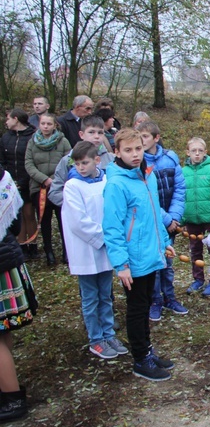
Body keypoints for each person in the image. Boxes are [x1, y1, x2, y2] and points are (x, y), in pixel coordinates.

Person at [103, 128, 175, 382]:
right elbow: (112, 228)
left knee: (145, 304)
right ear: (117, 152)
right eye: (128, 150)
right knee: (136, 308)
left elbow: (155, 213)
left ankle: (147, 351)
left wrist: (164, 241)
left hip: (151, 253)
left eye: (138, 149)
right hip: (132, 260)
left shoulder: (147, 176)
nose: (135, 154)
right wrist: (120, 264)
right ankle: (140, 360)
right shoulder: (116, 184)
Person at [61, 141, 127, 360]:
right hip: (87, 249)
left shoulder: (106, 181)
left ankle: (108, 334)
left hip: (106, 247)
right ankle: (95, 339)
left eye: (85, 163)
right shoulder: (72, 186)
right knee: (90, 298)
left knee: (106, 295)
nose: (81, 167)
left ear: (97, 161)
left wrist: (114, 234)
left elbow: (113, 209)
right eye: (77, 163)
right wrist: (104, 237)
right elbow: (78, 221)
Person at [137, 122, 188, 321]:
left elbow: (180, 189)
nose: (142, 141)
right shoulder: (139, 163)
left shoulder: (170, 158)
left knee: (167, 262)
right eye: (139, 137)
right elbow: (146, 197)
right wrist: (165, 219)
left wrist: (174, 218)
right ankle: (155, 300)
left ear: (156, 138)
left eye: (145, 137)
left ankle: (169, 297)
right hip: (152, 221)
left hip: (170, 222)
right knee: (155, 264)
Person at [0, 165, 37, 422]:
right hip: (7, 258)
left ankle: (11, 398)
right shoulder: (3, 177)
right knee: (3, 332)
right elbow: (14, 225)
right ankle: (8, 386)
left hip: (2, 264)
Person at [24, 113, 71, 266]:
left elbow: (69, 161)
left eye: (49, 124)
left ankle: (67, 252)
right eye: (43, 123)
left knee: (62, 220)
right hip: (40, 188)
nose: (45, 126)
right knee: (44, 221)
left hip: (59, 187)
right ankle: (49, 252)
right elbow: (29, 164)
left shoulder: (63, 141)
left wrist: (56, 180)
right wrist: (44, 179)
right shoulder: (32, 142)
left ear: (54, 125)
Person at [182, 137, 210, 296]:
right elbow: (181, 197)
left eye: (200, 151)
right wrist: (181, 218)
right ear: (188, 152)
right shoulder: (183, 172)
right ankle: (198, 279)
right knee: (195, 250)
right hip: (192, 219)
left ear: (205, 152)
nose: (197, 154)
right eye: (194, 151)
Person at [48, 115, 114, 208]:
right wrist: (76, 203)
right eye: (91, 132)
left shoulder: (112, 160)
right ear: (81, 134)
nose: (96, 136)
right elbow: (55, 192)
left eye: (100, 133)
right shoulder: (68, 160)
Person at [0, 109, 38, 258]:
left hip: (27, 179)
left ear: (16, 119)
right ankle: (21, 245)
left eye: (8, 119)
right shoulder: (5, 137)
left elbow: (32, 159)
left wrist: (24, 180)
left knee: (29, 213)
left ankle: (33, 244)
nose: (6, 122)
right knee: (16, 214)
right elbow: (2, 160)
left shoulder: (32, 135)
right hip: (10, 182)